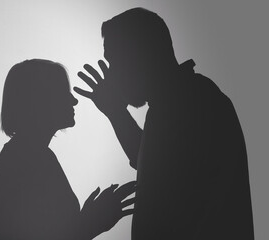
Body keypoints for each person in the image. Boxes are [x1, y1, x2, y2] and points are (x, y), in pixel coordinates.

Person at [75, 8, 254, 240]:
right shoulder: (177, 101)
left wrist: (116, 112)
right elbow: (156, 167)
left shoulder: (194, 101)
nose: (112, 74)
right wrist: (115, 112)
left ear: (140, 54)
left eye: (115, 61)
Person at [0, 59, 136, 240]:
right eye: (63, 93)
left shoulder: (26, 154)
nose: (74, 100)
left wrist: (88, 221)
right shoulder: (28, 158)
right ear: (39, 100)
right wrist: (90, 222)